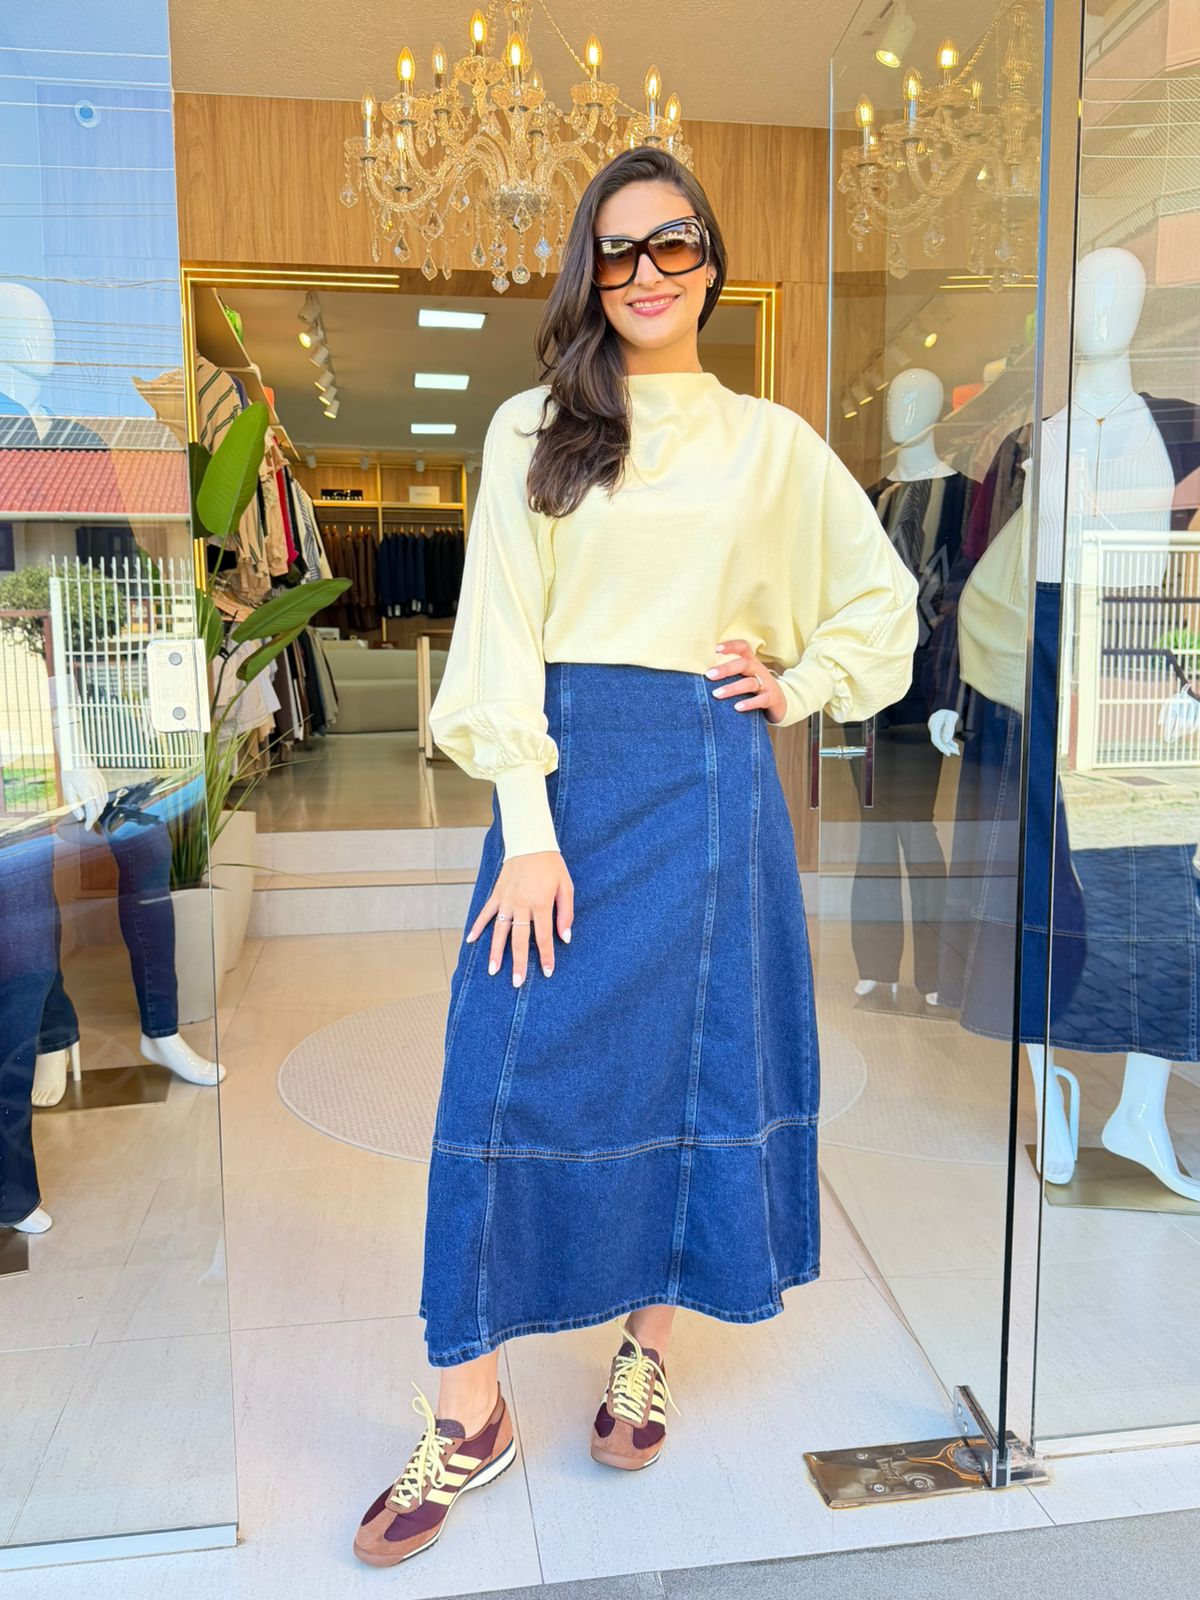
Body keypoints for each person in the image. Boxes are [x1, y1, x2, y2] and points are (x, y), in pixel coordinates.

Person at [353, 147, 918, 1568]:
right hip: (565, 777)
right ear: (587, 272)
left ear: (711, 262)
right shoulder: (532, 427)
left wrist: (799, 683)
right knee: (498, 1069)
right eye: (618, 249)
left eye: (674, 243)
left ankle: (645, 1348)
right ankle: (468, 1411)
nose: (648, 271)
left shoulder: (771, 443)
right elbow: (498, 639)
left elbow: (883, 602)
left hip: (713, 788)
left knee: (691, 1062)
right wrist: (527, 833)